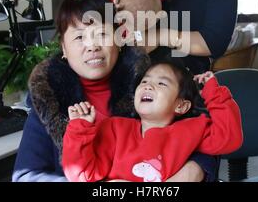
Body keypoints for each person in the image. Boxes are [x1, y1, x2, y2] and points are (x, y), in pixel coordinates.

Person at [12, 0, 219, 182]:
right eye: (79, 37)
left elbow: (207, 132)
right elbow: (26, 176)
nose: (92, 46)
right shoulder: (50, 97)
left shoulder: (151, 82)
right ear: (64, 49)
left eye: (102, 34)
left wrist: (195, 169)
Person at [62, 60, 243, 182]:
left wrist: (213, 93)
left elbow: (229, 137)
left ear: (181, 106)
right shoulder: (114, 128)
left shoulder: (191, 130)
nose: (148, 85)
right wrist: (79, 129)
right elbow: (82, 174)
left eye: (162, 83)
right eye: (144, 82)